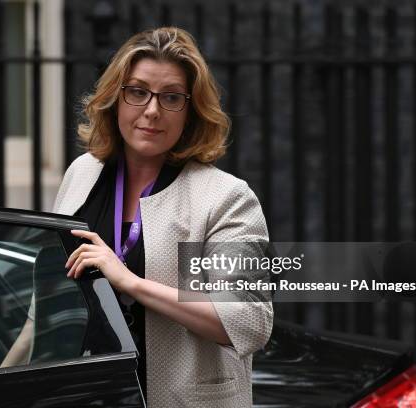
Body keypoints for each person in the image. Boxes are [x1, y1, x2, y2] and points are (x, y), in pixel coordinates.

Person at [53, 27, 272, 408]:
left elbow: (246, 322)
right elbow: (46, 300)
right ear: (115, 99)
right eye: (137, 92)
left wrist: (129, 281)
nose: (152, 111)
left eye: (171, 97)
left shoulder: (223, 198)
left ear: (190, 111)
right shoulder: (82, 173)